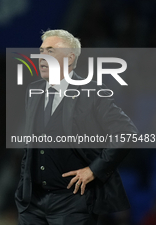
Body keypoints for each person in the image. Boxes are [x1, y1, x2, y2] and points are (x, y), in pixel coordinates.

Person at [15, 29, 138, 225]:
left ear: (70, 58)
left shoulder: (93, 92)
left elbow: (127, 133)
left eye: (50, 51)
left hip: (73, 201)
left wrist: (93, 170)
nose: (42, 56)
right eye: (41, 50)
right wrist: (23, 187)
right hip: (32, 203)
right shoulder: (33, 91)